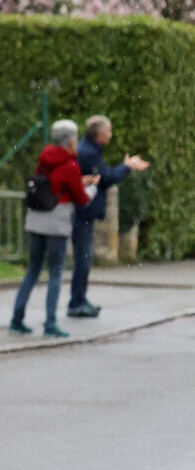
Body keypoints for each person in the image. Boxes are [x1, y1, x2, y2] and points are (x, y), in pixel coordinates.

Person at [12, 119, 94, 338]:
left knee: (32, 270)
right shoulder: (71, 165)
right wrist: (90, 189)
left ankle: (17, 319)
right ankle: (50, 324)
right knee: (55, 273)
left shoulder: (44, 158)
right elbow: (80, 198)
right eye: (75, 139)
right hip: (56, 223)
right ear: (69, 141)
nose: (77, 143)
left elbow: (51, 183)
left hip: (36, 220)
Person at [70, 114, 149, 317]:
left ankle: (80, 299)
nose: (111, 135)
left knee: (84, 258)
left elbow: (102, 177)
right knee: (83, 258)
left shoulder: (90, 150)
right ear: (99, 135)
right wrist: (127, 167)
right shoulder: (89, 153)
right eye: (109, 132)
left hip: (83, 210)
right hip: (83, 211)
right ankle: (77, 302)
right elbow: (105, 179)